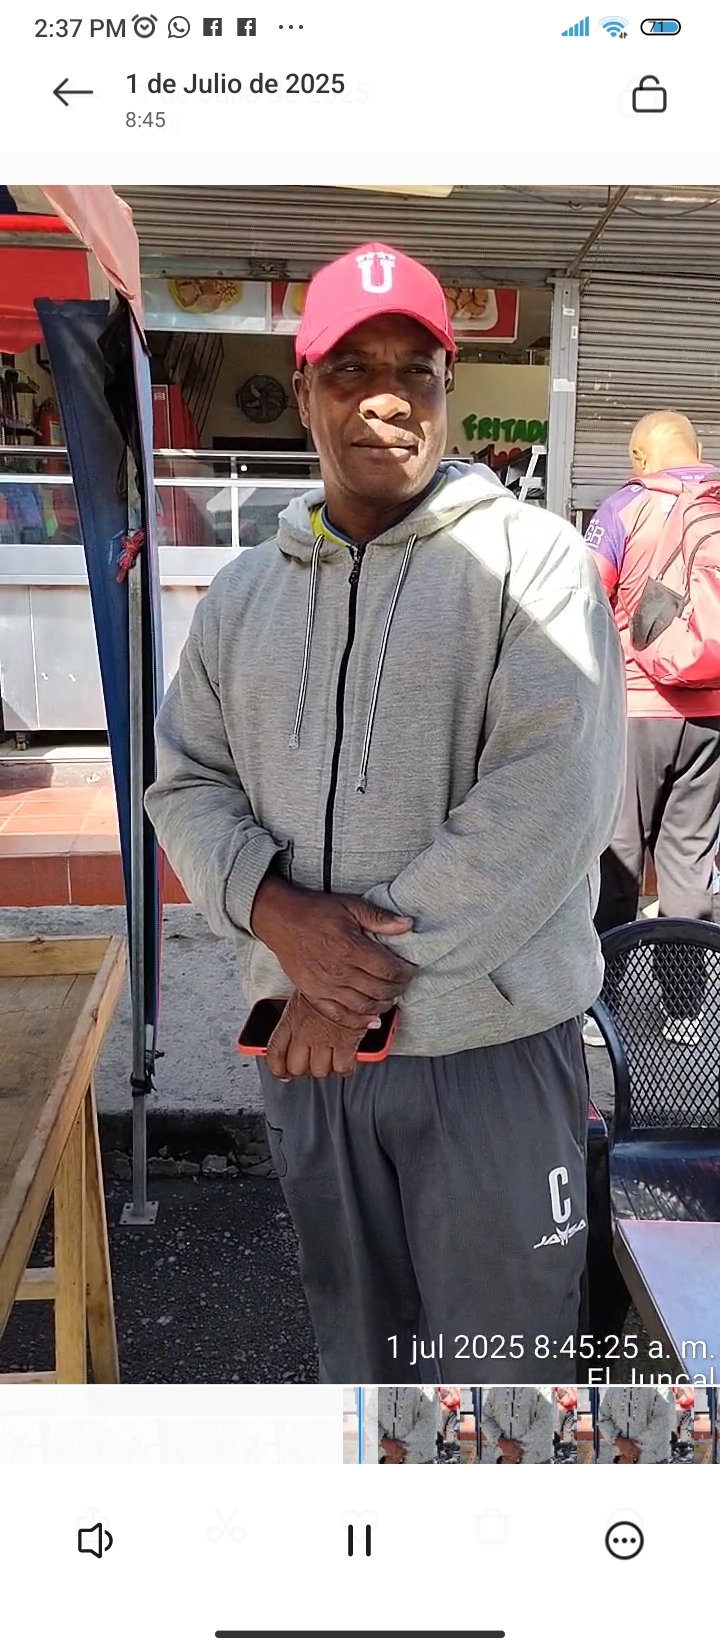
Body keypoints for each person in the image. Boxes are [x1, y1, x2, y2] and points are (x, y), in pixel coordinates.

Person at [145, 240, 626, 1384]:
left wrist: (340, 982)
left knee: (503, 1374)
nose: (386, 397)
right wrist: (275, 914)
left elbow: (550, 799)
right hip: (313, 1061)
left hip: (485, 1046)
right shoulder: (243, 597)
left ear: (448, 390)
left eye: (416, 369)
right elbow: (187, 782)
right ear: (303, 388)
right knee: (360, 1359)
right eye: (352, 367)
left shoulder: (534, 564)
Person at [583, 410, 720, 1047]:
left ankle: (602, 1007)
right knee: (690, 858)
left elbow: (583, 596)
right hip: (711, 713)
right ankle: (686, 1012)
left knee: (617, 856)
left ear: (639, 456)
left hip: (637, 710)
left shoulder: (625, 507)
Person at [598, 1385, 673, 1463]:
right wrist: (618, 1440)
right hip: (621, 1459)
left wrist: (630, 1454)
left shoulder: (661, 1390)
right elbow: (603, 1418)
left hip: (653, 1460)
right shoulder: (613, 1389)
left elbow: (663, 1423)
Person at [480, 1386, 555, 1464]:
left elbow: (545, 1423)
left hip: (536, 1461)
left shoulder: (542, 1387)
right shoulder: (496, 1389)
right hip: (504, 1459)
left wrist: (513, 1453)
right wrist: (501, 1441)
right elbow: (485, 1418)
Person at [376, 1386, 439, 1463]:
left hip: (419, 1460)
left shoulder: (426, 1388)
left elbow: (428, 1424)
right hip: (382, 1459)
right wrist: (383, 1442)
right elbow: (368, 1418)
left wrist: (395, 1454)